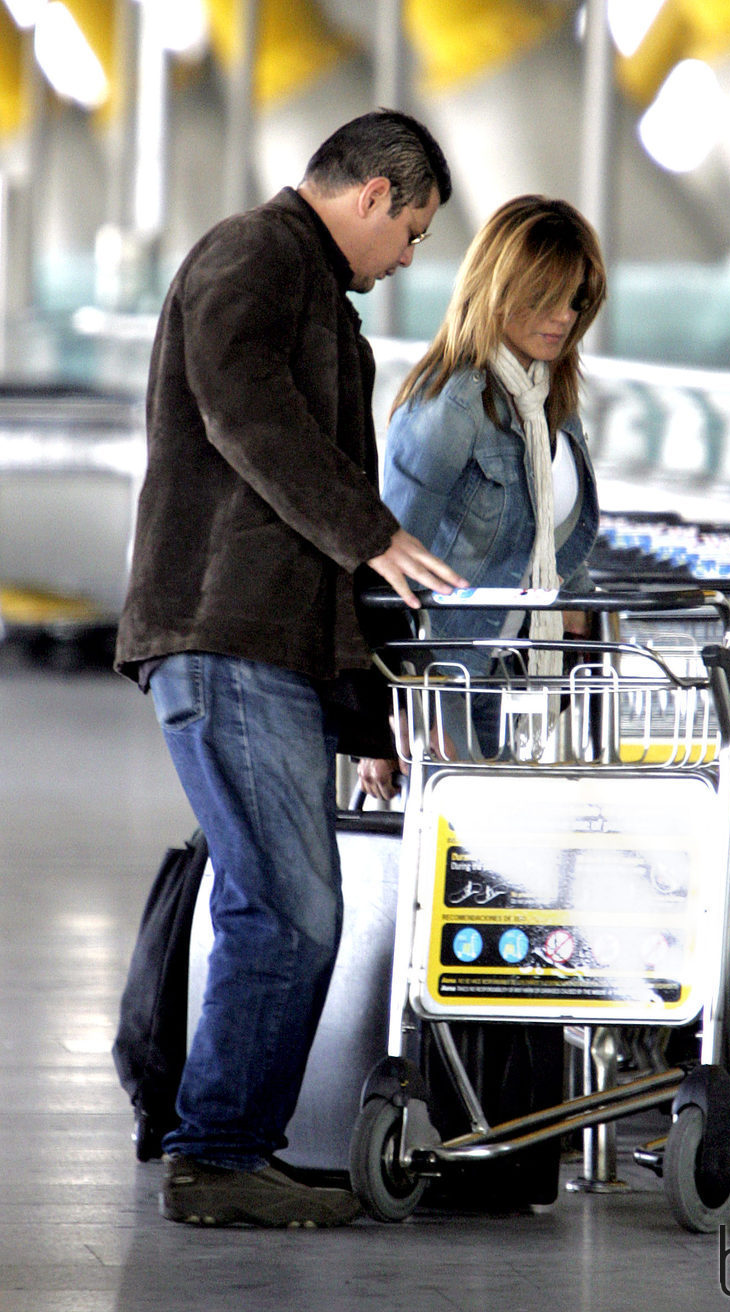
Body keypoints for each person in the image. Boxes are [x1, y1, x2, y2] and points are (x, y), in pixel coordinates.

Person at [114, 109, 465, 1228]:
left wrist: (364, 719)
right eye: (410, 230)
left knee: (282, 901)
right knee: (290, 907)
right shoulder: (253, 252)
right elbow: (243, 408)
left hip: (262, 645)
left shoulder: (311, 285)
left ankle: (227, 1147)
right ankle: (215, 1153)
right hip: (223, 639)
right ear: (373, 194)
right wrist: (364, 526)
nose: (407, 257)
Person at [357, 195, 607, 800]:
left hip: (531, 684)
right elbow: (384, 572)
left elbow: (552, 542)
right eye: (544, 295)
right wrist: (381, 721)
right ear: (498, 288)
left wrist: (579, 618)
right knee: (451, 876)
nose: (562, 317)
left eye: (576, 299)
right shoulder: (450, 405)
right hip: (448, 686)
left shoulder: (553, 400)